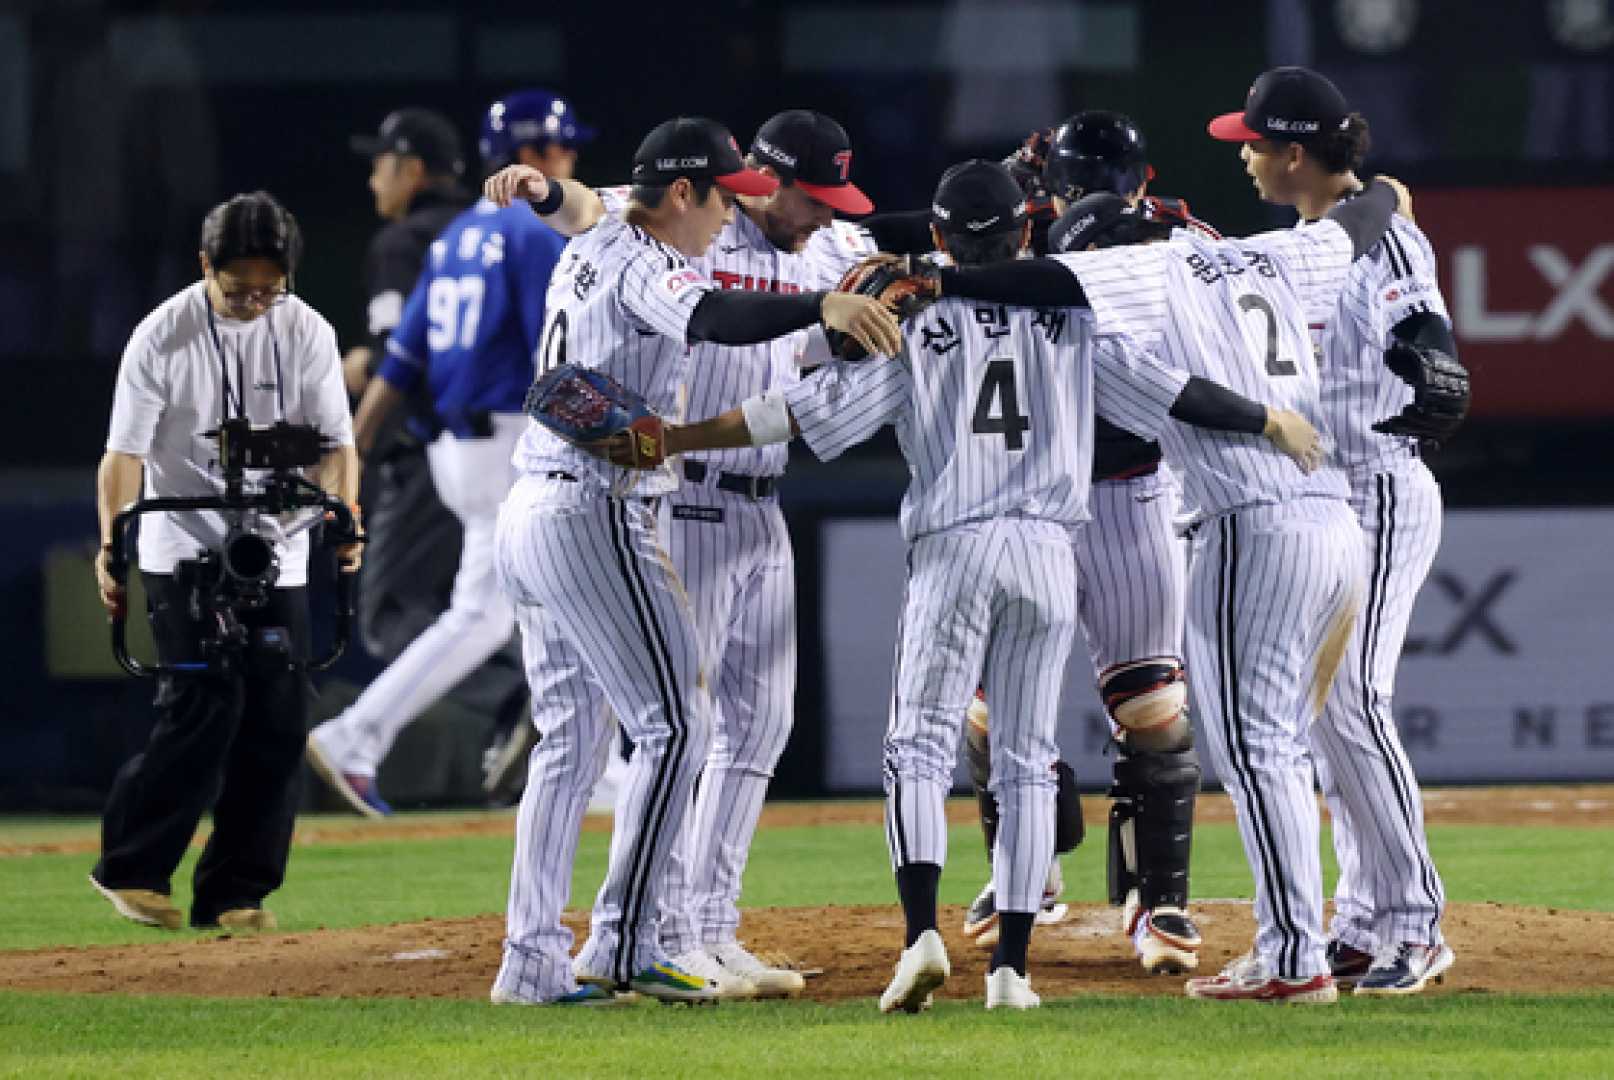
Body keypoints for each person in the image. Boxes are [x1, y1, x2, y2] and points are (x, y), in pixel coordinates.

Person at [598, 161, 1324, 1011]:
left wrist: (677, 437)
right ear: (1025, 237)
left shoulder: (917, 316)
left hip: (955, 545)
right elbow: (1175, 391)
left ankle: (921, 940)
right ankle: (1012, 969)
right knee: (1022, 760)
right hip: (1049, 550)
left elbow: (795, 412)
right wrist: (1269, 417)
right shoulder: (1072, 321)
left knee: (918, 746)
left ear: (939, 239)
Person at [931, 170, 1409, 1003]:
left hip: (1249, 518)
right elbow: (1360, 225)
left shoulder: (1130, 273)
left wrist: (936, 279)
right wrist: (1386, 194)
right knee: (1295, 746)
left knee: (1260, 754)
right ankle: (1341, 933)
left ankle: (1292, 956)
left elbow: (1048, 286)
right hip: (1332, 515)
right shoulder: (1266, 254)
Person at [480, 116, 900, 1006]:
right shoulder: (650, 263)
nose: (728, 217)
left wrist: (547, 192)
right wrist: (817, 305)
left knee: (573, 743)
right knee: (679, 724)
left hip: (534, 500)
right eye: (722, 198)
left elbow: (591, 203)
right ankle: (635, 941)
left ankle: (532, 962)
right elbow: (711, 312)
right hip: (598, 507)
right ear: (683, 192)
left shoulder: (598, 229)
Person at [1208, 65, 1464, 996]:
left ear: (1297, 153)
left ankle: (1413, 922)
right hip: (1327, 501)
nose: (1243, 153)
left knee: (1352, 699)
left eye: (1254, 141)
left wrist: (1432, 358)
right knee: (1323, 718)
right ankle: (1360, 920)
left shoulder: (1383, 237)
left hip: (1382, 486)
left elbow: (1422, 331)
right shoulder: (1309, 239)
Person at [961, 110, 1213, 976]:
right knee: (994, 708)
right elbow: (957, 237)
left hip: (1134, 487)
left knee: (1151, 706)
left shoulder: (1181, 238)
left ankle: (1159, 897)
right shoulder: (1020, 235)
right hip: (1033, 490)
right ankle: (1022, 871)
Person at [90, 191, 359, 931]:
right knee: (205, 707)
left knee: (278, 719)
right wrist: (114, 544)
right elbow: (124, 456)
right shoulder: (160, 337)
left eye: (269, 290)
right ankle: (131, 868)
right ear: (205, 266)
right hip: (184, 543)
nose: (253, 302)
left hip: (280, 544)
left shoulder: (306, 331)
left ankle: (237, 892)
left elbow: (337, 446)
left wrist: (342, 517)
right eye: (238, 288)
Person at [306, 91, 573, 818]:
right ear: (537, 157)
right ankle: (589, 760)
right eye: (562, 149)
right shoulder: (529, 231)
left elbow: (399, 366)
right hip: (516, 440)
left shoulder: (456, 238)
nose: (570, 163)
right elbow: (562, 354)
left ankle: (356, 735)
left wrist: (352, 455)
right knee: (586, 593)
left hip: (457, 452)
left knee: (483, 615)